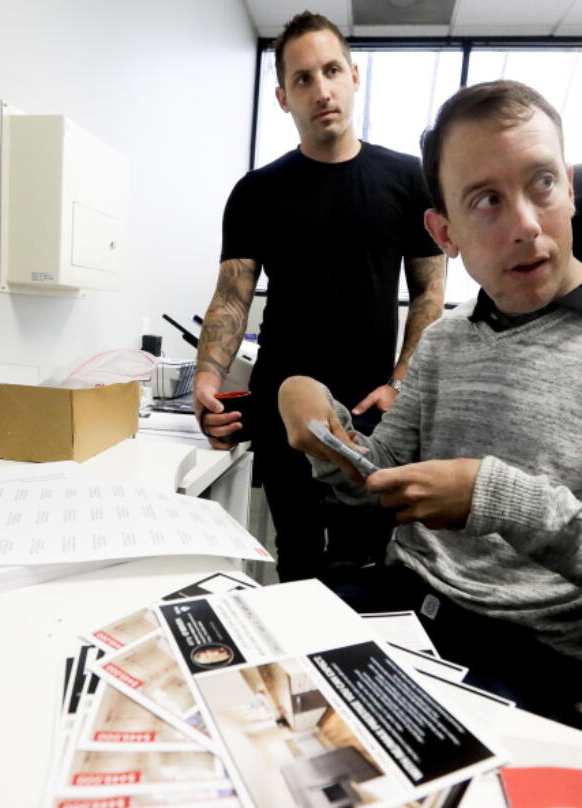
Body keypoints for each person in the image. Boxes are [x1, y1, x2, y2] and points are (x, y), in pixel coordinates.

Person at [276, 80, 582, 713]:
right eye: (486, 200)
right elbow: (372, 488)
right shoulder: (446, 340)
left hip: (539, 661)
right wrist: (314, 412)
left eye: (541, 183)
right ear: (445, 233)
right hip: (401, 610)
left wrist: (506, 502)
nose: (524, 225)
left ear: (569, 187)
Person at [193, 12, 447, 582]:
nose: (322, 89)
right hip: (282, 410)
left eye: (331, 70)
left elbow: (430, 295)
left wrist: (400, 383)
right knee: (298, 560)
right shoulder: (257, 192)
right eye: (303, 78)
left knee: (371, 561)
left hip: (371, 411)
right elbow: (232, 296)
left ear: (355, 75)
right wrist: (206, 380)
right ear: (283, 97)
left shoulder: (410, 181)